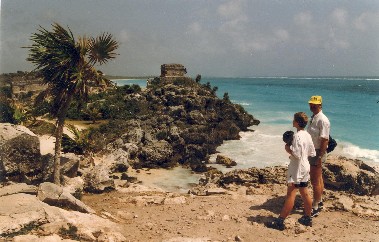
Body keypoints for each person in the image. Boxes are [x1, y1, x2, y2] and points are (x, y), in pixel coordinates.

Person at [266, 112, 316, 230]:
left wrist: (288, 149)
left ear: (297, 122)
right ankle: (307, 218)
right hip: (305, 166)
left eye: (294, 120)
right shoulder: (307, 135)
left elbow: (297, 154)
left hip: (297, 168)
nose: (292, 121)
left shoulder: (297, 136)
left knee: (291, 194)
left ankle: (280, 221)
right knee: (304, 192)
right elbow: (312, 153)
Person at [307, 95, 330, 217]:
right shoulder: (314, 117)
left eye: (315, 105)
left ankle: (315, 206)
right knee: (319, 178)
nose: (312, 106)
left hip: (317, 152)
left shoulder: (323, 120)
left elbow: (325, 140)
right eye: (311, 104)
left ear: (320, 105)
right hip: (313, 151)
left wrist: (320, 156)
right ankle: (319, 201)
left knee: (315, 180)